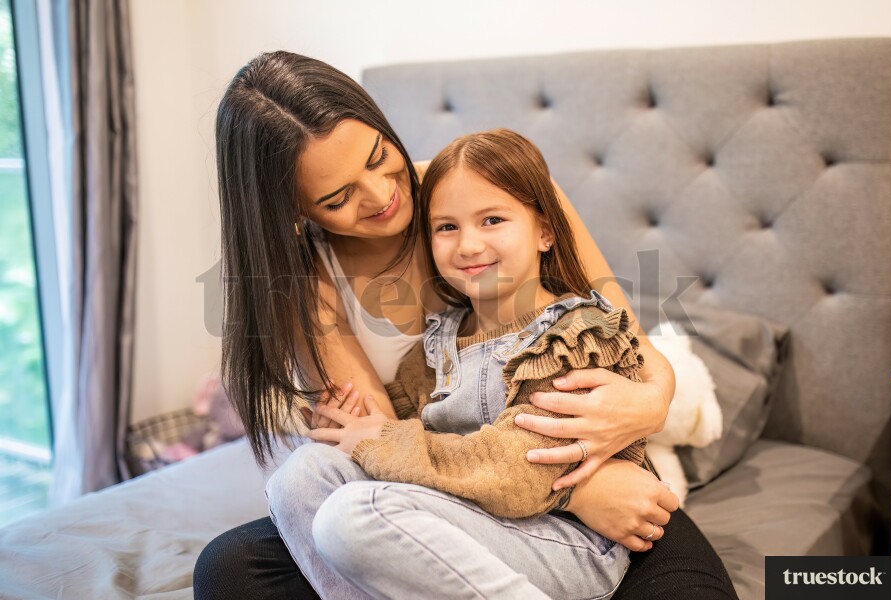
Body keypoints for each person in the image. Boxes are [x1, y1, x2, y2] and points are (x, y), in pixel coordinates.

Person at [194, 51, 736, 599]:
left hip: (584, 489)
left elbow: (629, 345)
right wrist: (569, 492)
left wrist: (649, 404)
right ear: (294, 210)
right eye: (338, 197)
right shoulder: (309, 283)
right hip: (455, 488)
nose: (382, 195)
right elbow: (389, 446)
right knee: (252, 541)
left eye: (380, 156)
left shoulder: (492, 185)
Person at [266, 128, 652, 599]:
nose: (468, 245)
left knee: (352, 514)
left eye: (492, 220)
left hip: (567, 536)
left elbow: (524, 473)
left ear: (545, 231)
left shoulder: (573, 337)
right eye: (447, 228)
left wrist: (382, 442)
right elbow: (404, 429)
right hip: (474, 519)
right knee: (301, 476)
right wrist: (348, 429)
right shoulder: (438, 343)